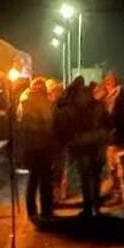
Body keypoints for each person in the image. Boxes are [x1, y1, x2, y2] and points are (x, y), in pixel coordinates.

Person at [58, 77, 107, 217]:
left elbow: (73, 129)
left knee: (86, 178)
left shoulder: (79, 110)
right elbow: (108, 124)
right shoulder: (98, 106)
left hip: (84, 147)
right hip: (95, 146)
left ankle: (88, 208)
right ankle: (96, 207)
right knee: (94, 178)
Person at [18, 77, 60, 220]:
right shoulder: (43, 102)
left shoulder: (23, 102)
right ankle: (46, 211)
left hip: (29, 146)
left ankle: (31, 211)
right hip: (43, 145)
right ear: (42, 89)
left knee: (33, 179)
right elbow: (49, 124)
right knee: (45, 180)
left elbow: (20, 124)